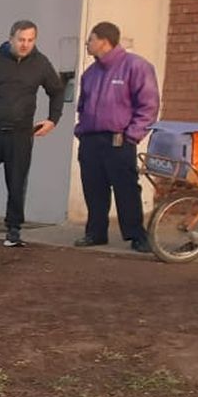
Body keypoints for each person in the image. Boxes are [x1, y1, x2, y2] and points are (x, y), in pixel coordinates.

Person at [0, 20, 67, 248]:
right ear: (11, 38)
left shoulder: (41, 64)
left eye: (30, 40)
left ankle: (14, 231)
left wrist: (53, 120)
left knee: (17, 184)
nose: (25, 44)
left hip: (20, 135)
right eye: (21, 40)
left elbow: (57, 91)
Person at [73, 22, 159, 252]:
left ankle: (136, 235)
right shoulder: (90, 73)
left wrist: (132, 135)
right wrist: (81, 131)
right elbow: (82, 106)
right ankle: (95, 232)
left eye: (90, 39)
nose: (87, 43)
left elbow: (148, 106)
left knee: (126, 187)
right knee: (93, 187)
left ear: (103, 41)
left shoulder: (136, 66)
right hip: (91, 139)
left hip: (119, 138)